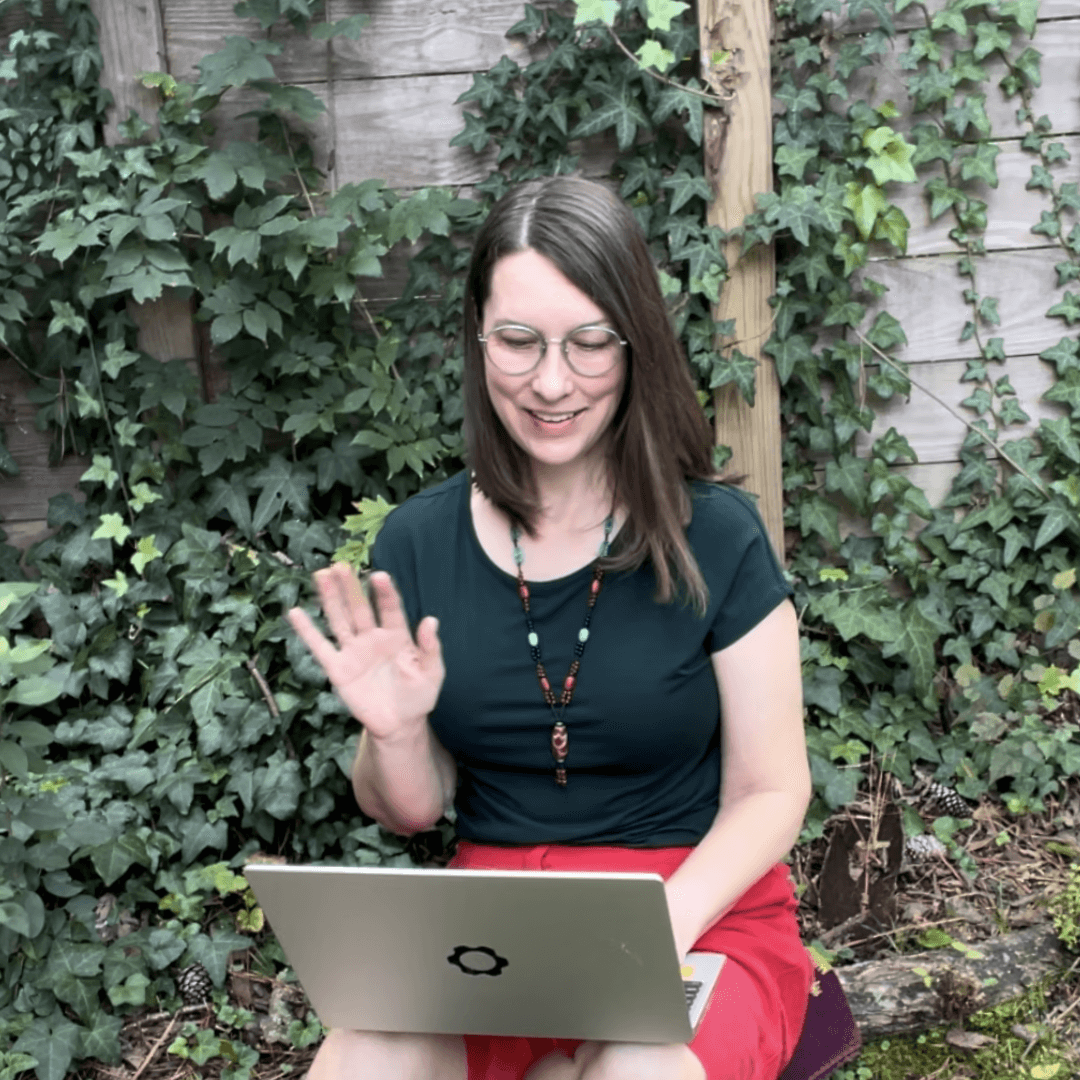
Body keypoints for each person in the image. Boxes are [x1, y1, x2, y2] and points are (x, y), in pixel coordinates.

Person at [287, 176, 815, 1080]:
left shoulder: (717, 537)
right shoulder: (417, 541)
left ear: (635, 343)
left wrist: (646, 944)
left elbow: (772, 792)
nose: (553, 381)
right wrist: (395, 732)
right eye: (520, 342)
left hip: (693, 911)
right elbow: (410, 811)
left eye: (589, 343)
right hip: (493, 938)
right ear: (478, 339)